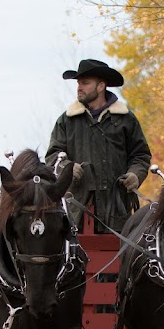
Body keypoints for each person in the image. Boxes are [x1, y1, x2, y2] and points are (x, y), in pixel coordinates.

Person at [46, 59, 152, 232]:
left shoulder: (126, 119)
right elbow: (53, 158)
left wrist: (135, 174)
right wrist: (67, 168)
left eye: (85, 83)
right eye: (79, 83)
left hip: (118, 214)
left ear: (101, 86)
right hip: (76, 214)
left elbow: (140, 155)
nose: (79, 87)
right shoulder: (66, 120)